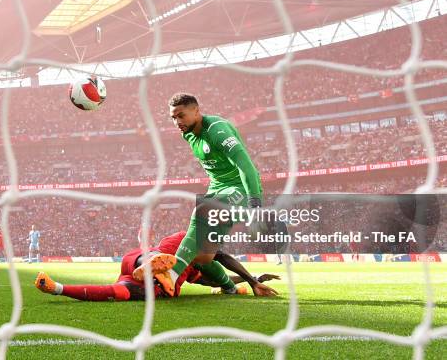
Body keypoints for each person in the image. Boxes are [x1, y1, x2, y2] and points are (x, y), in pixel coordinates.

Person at [134, 93, 263, 295]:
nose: (177, 122)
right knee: (202, 258)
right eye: (173, 118)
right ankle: (231, 288)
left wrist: (255, 206)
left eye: (181, 115)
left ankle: (172, 276)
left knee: (202, 209)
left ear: (196, 110)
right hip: (217, 189)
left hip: (241, 189)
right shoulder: (188, 133)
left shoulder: (218, 131)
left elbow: (246, 166)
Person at [35, 231, 279, 301]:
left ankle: (56, 287)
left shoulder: (194, 270)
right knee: (156, 255)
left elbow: (212, 279)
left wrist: (252, 278)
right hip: (145, 261)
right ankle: (153, 267)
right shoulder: (188, 239)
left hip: (136, 275)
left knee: (119, 292)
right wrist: (251, 280)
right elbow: (222, 258)